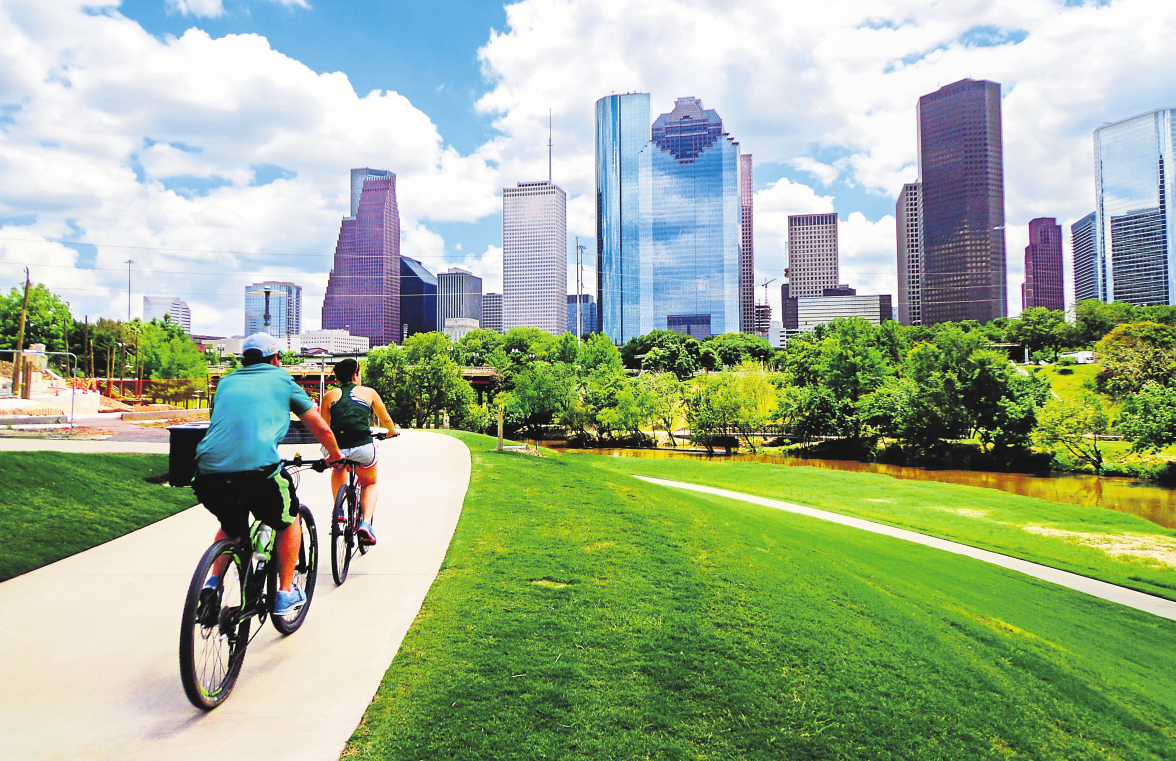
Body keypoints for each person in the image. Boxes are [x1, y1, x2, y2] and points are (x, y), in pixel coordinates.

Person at [193, 333, 345, 616]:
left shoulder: (225, 382)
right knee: (289, 517)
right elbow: (321, 428)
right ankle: (285, 593)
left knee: (231, 526)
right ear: (276, 359)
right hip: (258, 471)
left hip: (207, 472)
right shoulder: (283, 380)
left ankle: (213, 584)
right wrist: (336, 457)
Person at [318, 357, 398, 546]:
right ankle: (365, 523)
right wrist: (392, 432)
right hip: (362, 447)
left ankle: (338, 511)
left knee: (338, 467)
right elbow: (385, 418)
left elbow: (324, 426)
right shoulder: (369, 392)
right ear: (356, 374)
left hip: (338, 448)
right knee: (369, 483)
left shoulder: (329, 396)